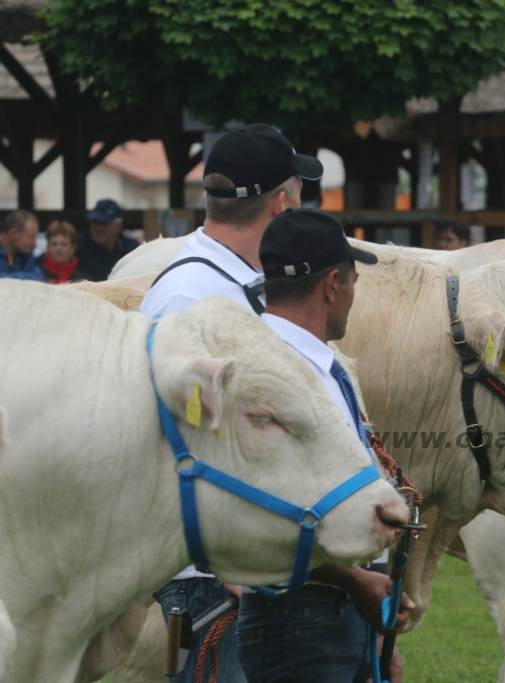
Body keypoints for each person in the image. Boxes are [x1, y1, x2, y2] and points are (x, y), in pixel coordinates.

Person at [141, 122, 324, 683]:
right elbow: (169, 431)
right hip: (207, 572)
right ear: (282, 203)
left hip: (241, 556)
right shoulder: (191, 293)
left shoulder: (231, 280)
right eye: (298, 190)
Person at [235, 208, 413, 683]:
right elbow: (262, 510)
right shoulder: (277, 371)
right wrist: (355, 581)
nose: (354, 297)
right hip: (298, 612)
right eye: (354, 281)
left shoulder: (308, 362)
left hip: (330, 610)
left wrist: (371, 625)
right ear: (333, 284)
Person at [76, 198, 139, 280]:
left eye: (104, 223)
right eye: (95, 222)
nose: (99, 228)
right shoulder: (77, 247)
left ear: (118, 226)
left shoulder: (132, 249)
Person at [0, 210, 44, 281]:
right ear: (13, 234)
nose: (35, 243)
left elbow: (38, 276)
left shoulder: (26, 252)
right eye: (31, 236)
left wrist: (7, 277)